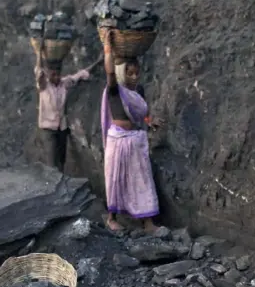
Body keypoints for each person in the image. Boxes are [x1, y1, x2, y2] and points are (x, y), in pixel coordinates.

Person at [100, 29, 163, 233]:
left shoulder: (138, 92)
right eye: (129, 72)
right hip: (117, 140)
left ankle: (147, 222)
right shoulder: (114, 89)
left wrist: (149, 120)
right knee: (115, 179)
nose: (134, 76)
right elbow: (109, 72)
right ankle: (112, 218)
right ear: (121, 73)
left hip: (134, 141)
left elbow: (140, 114)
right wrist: (107, 47)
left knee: (142, 178)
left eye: (137, 72)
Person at [34, 54, 102, 172]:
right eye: (53, 74)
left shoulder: (64, 83)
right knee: (51, 161)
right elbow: (38, 72)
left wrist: (98, 61)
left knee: (61, 160)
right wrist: (39, 53)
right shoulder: (44, 86)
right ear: (48, 75)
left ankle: (60, 186)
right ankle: (52, 187)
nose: (56, 77)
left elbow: (81, 74)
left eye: (58, 74)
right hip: (48, 130)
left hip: (62, 128)